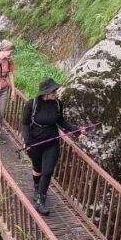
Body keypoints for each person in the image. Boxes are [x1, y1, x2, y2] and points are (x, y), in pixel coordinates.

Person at [20, 78, 81, 216]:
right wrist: (27, 141)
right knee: (37, 168)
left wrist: (76, 131)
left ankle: (40, 200)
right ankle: (37, 186)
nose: (56, 93)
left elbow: (61, 120)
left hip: (52, 141)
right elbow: (24, 123)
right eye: (54, 91)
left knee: (47, 171)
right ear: (46, 93)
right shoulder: (32, 104)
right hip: (35, 141)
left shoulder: (58, 104)